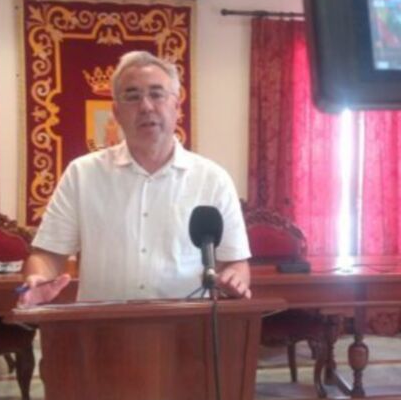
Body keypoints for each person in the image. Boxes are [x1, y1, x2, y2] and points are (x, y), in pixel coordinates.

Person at [18, 50, 251, 306]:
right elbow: (48, 254)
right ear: (116, 112)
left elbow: (235, 261)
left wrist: (235, 278)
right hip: (102, 323)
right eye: (132, 96)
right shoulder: (82, 174)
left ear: (176, 107)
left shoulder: (213, 179)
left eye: (156, 94)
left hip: (187, 324)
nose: (146, 106)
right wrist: (38, 278)